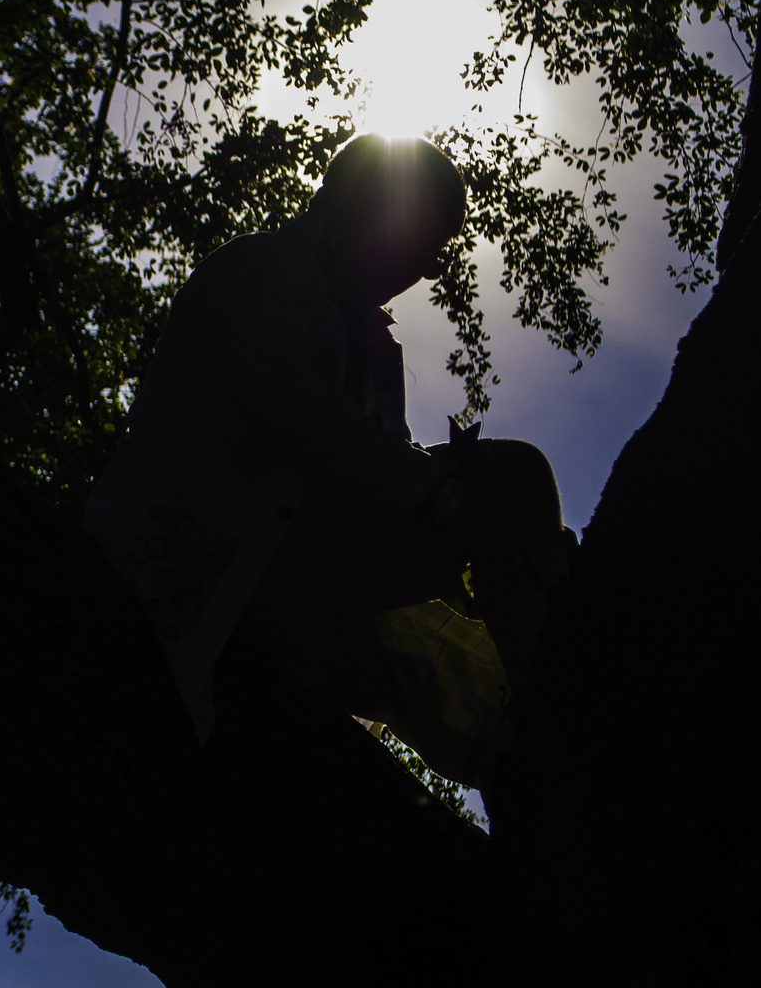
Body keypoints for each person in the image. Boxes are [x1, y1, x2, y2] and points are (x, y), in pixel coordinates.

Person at [83, 134, 575, 788]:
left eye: (426, 259)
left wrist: (461, 539)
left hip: (301, 584)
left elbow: (386, 466)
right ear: (350, 199)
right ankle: (540, 714)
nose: (411, 272)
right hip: (207, 569)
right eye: (411, 239)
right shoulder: (258, 270)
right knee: (500, 484)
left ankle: (540, 715)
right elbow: (299, 413)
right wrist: (445, 500)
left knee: (515, 490)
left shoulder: (373, 348)